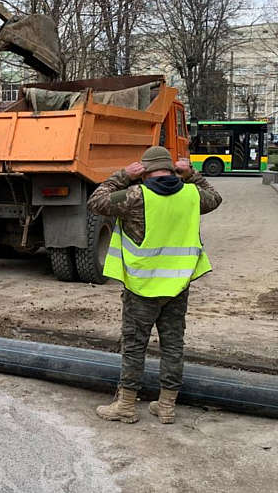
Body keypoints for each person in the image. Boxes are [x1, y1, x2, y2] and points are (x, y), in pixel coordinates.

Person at [86, 145, 222, 424]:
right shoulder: (192, 194)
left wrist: (122, 175)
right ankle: (167, 406)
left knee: (135, 346)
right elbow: (215, 198)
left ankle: (125, 406)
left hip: (142, 287)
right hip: (178, 286)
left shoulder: (137, 195)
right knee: (173, 345)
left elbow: (96, 202)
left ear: (144, 171)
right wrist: (193, 174)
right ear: (173, 170)